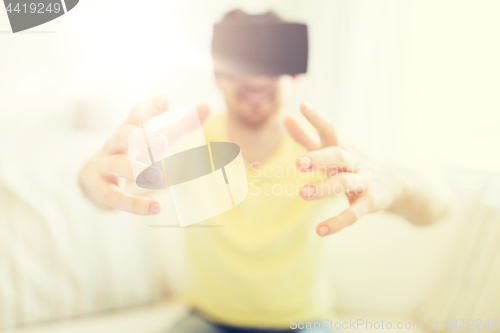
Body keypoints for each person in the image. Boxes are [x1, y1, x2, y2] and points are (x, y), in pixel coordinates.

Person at [78, 9, 452, 333]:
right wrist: (98, 176)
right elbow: (108, 189)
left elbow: (439, 208)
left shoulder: (322, 150)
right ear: (218, 76)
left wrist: (394, 184)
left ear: (293, 75)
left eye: (271, 64)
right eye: (240, 63)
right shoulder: (189, 145)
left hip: (303, 321)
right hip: (207, 320)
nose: (255, 79)